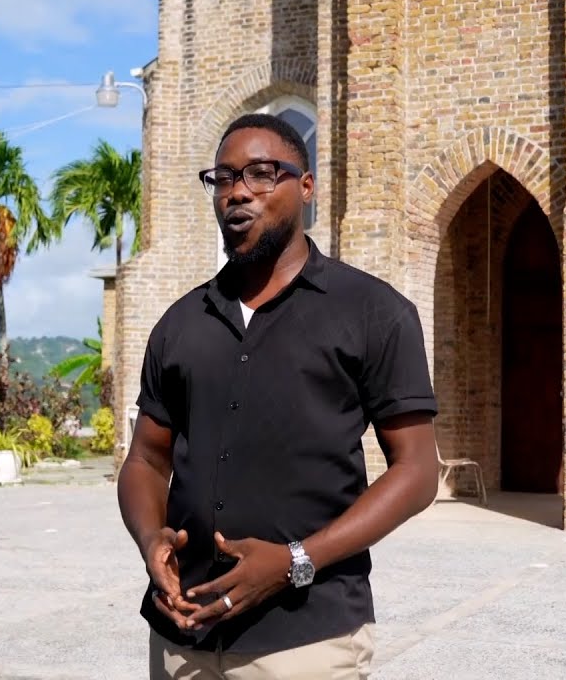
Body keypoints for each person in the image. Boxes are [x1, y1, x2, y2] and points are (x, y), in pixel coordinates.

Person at [117, 112, 439, 679]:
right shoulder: (179, 324)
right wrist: (150, 541)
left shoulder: (373, 313)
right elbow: (145, 458)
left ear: (306, 187)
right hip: (180, 635)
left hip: (304, 640)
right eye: (223, 177)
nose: (238, 190)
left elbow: (417, 472)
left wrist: (295, 562)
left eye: (262, 173)